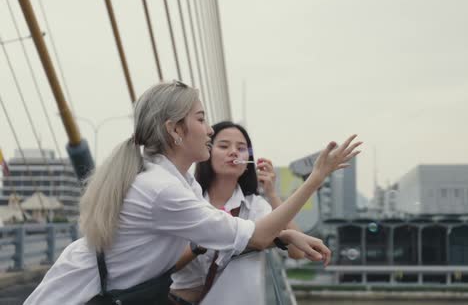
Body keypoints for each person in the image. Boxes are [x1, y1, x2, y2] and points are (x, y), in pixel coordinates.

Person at [24, 82, 361, 304]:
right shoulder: (161, 190)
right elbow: (254, 236)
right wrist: (317, 177)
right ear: (175, 130)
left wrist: (283, 235)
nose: (210, 129)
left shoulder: (180, 183)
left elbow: (229, 235)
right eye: (201, 119)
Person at [169, 121, 305, 304]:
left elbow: (297, 252)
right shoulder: (187, 199)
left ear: (247, 161)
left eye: (241, 148)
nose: (233, 152)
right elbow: (167, 266)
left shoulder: (255, 207)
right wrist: (203, 241)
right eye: (224, 146)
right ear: (206, 152)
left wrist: (272, 193)